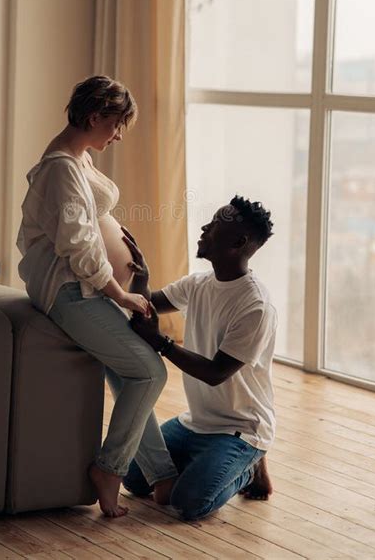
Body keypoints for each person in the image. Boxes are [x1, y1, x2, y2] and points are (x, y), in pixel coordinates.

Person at [16, 75, 177, 518]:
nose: (120, 134)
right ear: (95, 116)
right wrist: (121, 295)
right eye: (117, 124)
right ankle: (109, 469)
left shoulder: (78, 159)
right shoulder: (61, 168)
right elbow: (78, 244)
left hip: (87, 288)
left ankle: (162, 477)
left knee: (130, 377)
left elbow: (91, 223)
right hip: (73, 292)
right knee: (150, 374)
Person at [121, 195, 276, 521]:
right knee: (134, 479)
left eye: (215, 225)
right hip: (197, 421)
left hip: (239, 428)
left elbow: (216, 372)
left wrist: (161, 343)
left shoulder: (255, 305)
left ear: (238, 242)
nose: (205, 228)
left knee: (188, 503)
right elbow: (147, 303)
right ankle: (210, 461)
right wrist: (142, 278)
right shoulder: (199, 284)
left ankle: (250, 466)